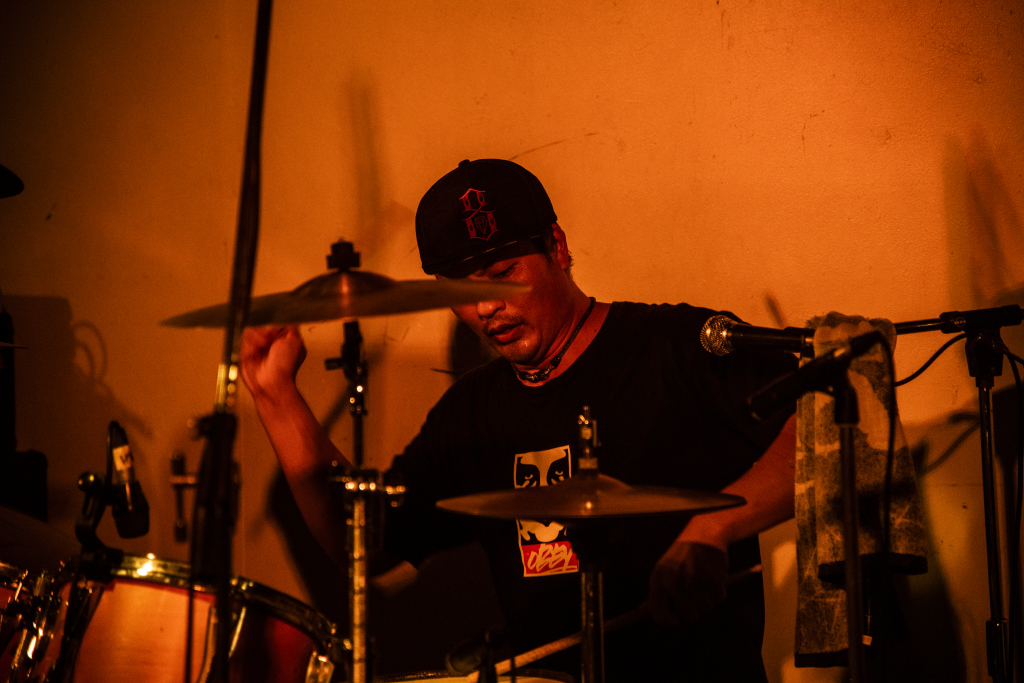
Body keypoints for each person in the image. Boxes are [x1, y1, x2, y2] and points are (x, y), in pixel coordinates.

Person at [241, 158, 798, 681]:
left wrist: (714, 529)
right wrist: (276, 396)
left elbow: (817, 425)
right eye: (462, 290)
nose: (486, 307)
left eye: (502, 273)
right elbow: (364, 544)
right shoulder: (471, 414)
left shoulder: (673, 348)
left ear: (556, 246)